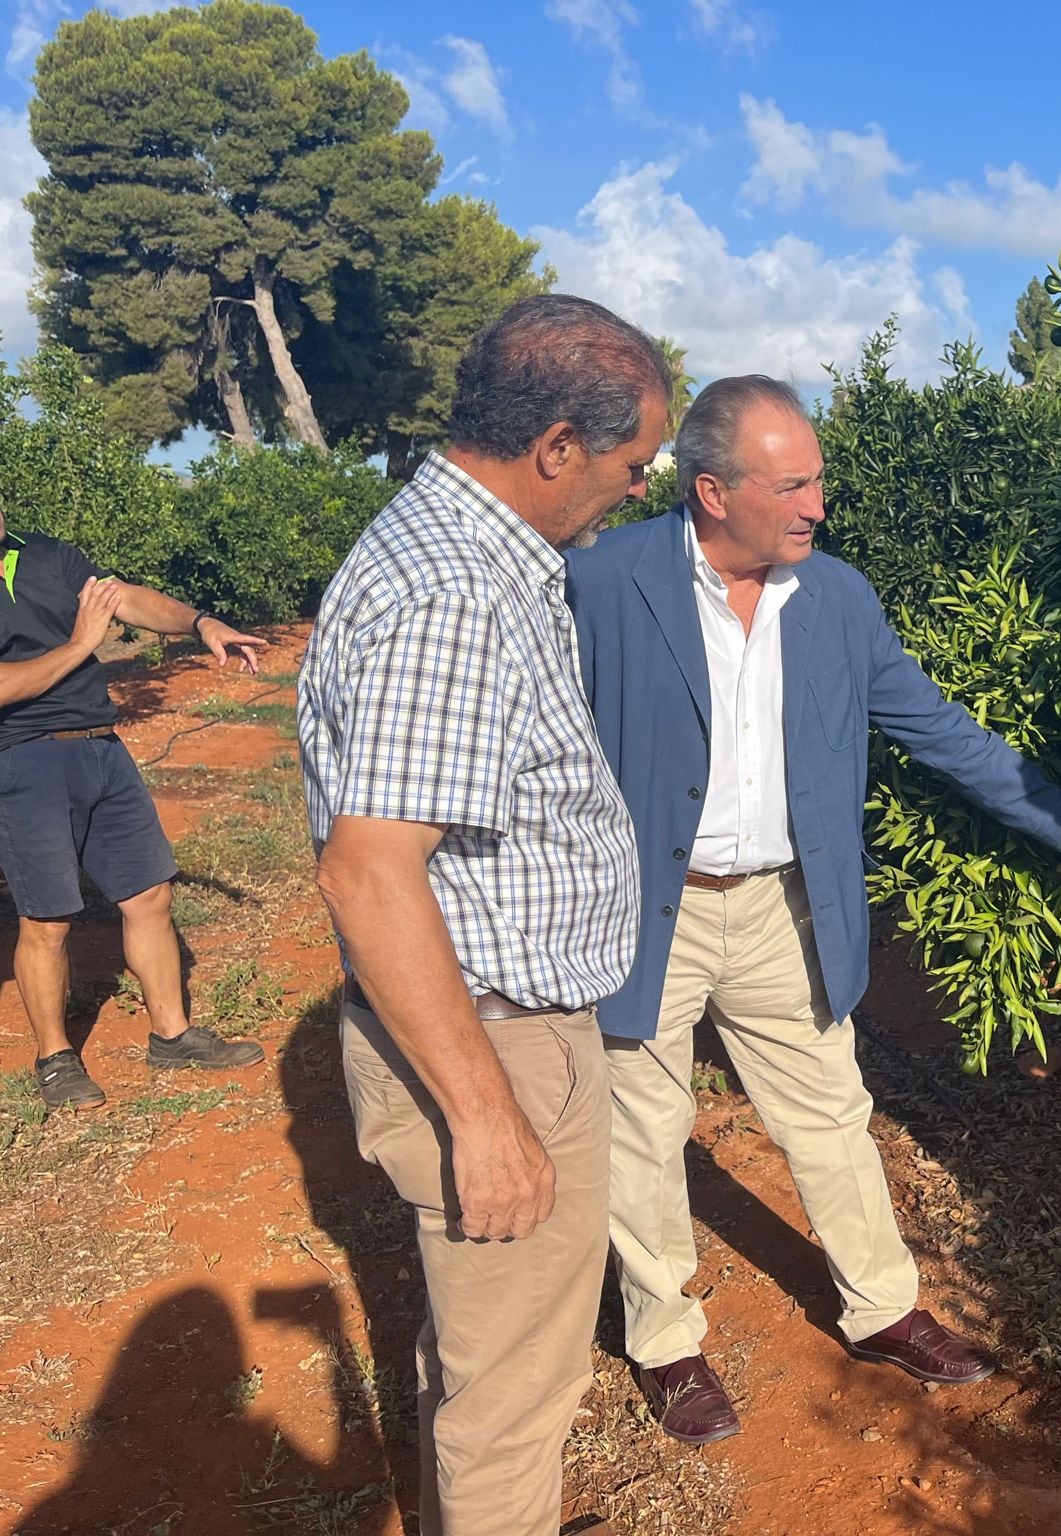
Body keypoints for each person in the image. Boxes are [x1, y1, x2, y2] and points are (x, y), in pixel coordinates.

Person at [567, 375, 1061, 1446]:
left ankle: (881, 1308)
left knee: (829, 1112)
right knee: (642, 1131)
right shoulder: (601, 580)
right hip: (645, 910)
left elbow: (933, 723)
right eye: (792, 484)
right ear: (709, 491)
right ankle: (664, 1341)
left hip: (786, 906)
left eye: (817, 480)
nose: (817, 506)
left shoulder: (835, 597)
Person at [298, 294, 671, 1536]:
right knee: (514, 1398)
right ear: (556, 445)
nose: (631, 489)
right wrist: (486, 1117)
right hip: (495, 1039)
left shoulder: (463, 556)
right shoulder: (455, 594)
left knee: (482, 1360)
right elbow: (368, 873)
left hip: (500, 1024)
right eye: (627, 465)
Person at [0, 505, 268, 1108]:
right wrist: (80, 645)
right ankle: (54, 1057)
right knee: (47, 918)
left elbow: (124, 599)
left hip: (100, 747)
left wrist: (200, 623)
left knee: (148, 894)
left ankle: (172, 1036)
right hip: (21, 759)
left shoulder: (44, 552)